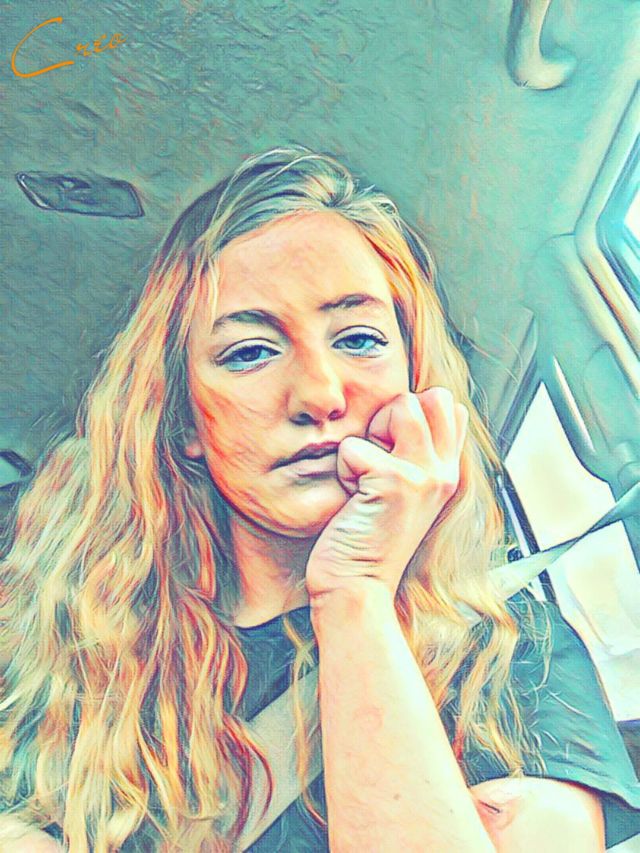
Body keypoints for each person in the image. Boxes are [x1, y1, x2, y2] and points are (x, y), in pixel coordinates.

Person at [0, 145, 639, 852]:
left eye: (359, 339)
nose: (319, 394)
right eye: (249, 352)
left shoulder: (513, 649)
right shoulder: (71, 650)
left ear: (416, 383)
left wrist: (356, 592)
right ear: (184, 421)